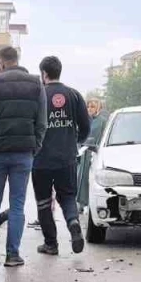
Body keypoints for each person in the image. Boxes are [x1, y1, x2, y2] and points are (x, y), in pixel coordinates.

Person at [0, 45, 48, 268]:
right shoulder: (36, 84)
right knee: (17, 204)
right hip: (23, 153)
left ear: (2, 62)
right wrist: (36, 146)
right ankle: (12, 255)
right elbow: (42, 122)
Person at [32, 56, 90, 256]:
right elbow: (86, 126)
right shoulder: (73, 95)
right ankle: (73, 223)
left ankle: (51, 244)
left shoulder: (38, 95)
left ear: (44, 74)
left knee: (43, 202)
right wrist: (75, 142)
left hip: (41, 159)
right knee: (67, 197)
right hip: (67, 158)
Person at [76, 97, 105, 215]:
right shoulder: (85, 120)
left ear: (98, 107)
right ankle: (81, 203)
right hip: (83, 153)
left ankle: (91, 203)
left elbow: (102, 136)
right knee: (81, 178)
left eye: (92, 106)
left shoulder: (102, 121)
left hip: (94, 153)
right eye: (88, 106)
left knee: (91, 179)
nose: (89, 109)